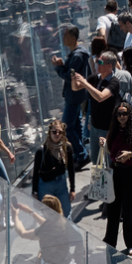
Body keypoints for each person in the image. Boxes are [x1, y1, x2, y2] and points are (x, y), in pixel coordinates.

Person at [102, 102, 132, 256]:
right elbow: (111, 149)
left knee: (130, 210)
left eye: (124, 113)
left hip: (130, 172)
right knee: (113, 208)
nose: (122, 116)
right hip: (115, 170)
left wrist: (130, 154)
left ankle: (131, 243)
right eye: (119, 114)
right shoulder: (114, 129)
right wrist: (105, 145)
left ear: (130, 115)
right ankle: (110, 241)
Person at [51, 24, 91, 188]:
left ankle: (82, 155)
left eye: (66, 35)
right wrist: (63, 64)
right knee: (75, 125)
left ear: (73, 38)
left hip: (74, 96)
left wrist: (59, 68)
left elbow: (70, 76)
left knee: (67, 127)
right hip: (76, 95)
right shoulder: (77, 54)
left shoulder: (78, 55)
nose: (63, 38)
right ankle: (80, 153)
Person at [31, 119, 73, 217]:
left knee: (66, 213)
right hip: (45, 185)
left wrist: (72, 189)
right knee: (48, 215)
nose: (57, 134)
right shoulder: (41, 150)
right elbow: (35, 173)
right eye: (54, 132)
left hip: (61, 184)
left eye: (59, 132)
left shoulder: (66, 147)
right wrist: (34, 192)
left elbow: (71, 169)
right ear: (50, 132)